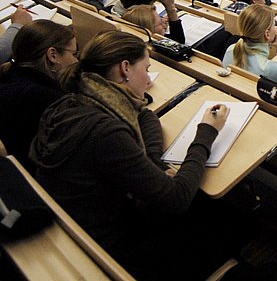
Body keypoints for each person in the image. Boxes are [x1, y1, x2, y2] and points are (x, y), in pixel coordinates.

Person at [29, 31, 236, 281]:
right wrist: (206, 133)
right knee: (225, 219)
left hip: (77, 228)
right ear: (125, 68)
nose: (148, 79)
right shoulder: (106, 133)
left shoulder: (72, 102)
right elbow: (176, 198)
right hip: (109, 250)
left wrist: (151, 162)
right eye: (146, 68)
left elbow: (144, 115)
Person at [0, 21, 76, 171]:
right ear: (53, 55)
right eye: (74, 54)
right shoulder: (51, 101)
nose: (76, 61)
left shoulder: (8, 76)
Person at [222, 4, 277, 92]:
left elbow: (255, 67)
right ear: (267, 34)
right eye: (274, 26)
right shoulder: (269, 69)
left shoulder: (231, 49)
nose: (276, 30)